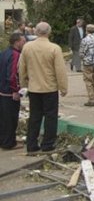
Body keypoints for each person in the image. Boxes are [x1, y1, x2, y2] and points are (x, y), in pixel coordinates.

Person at [19, 22, 68, 153]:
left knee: (34, 116)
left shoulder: (27, 47)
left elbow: (21, 67)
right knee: (51, 117)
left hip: (34, 88)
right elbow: (60, 70)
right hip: (50, 88)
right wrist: (63, 87)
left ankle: (31, 144)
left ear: (36, 32)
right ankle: (48, 144)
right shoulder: (54, 48)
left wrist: (23, 84)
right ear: (49, 32)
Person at [0, 33, 26, 149]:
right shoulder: (16, 55)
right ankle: (9, 142)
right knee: (11, 118)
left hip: (2, 90)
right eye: (23, 41)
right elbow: (13, 74)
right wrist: (15, 90)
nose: (24, 44)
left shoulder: (4, 53)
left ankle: (3, 140)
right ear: (17, 42)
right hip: (10, 91)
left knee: (3, 118)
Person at [79, 24, 94, 107]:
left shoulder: (85, 40)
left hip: (87, 63)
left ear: (86, 30)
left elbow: (81, 53)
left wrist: (83, 58)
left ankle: (91, 99)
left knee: (88, 80)